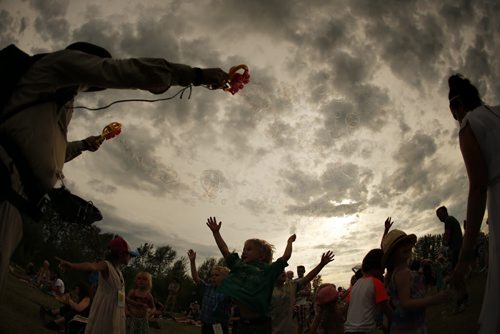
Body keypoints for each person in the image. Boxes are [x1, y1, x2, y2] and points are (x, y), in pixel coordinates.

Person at [0, 41, 230, 291]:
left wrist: (85, 144)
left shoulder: (58, 100)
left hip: (17, 197)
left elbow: (45, 153)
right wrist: (195, 75)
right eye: (95, 71)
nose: (91, 87)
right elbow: (122, 70)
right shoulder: (58, 63)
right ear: (82, 58)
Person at [447, 74, 500, 333]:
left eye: (453, 112)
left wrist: (465, 258)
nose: (455, 118)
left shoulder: (468, 123)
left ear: (457, 106)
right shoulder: (497, 112)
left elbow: (478, 187)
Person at [206, 216, 294, 334]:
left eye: (249, 249)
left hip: (260, 324)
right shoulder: (239, 266)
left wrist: (289, 242)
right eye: (244, 249)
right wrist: (216, 233)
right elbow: (225, 251)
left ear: (261, 256)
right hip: (243, 323)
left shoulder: (268, 271)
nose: (244, 252)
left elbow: (286, 256)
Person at [57, 235, 139, 334]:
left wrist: (134, 304)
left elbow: (119, 294)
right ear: (121, 254)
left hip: (116, 310)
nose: (130, 257)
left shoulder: (119, 272)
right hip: (105, 310)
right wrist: (72, 265)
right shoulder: (106, 265)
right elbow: (91, 266)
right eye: (129, 255)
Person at [382, 229, 449, 333]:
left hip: (411, 324)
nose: (405, 246)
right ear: (392, 254)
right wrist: (435, 299)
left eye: (406, 242)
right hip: (408, 328)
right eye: (400, 245)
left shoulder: (403, 271)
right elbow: (406, 303)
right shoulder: (401, 273)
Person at [270, 251, 334, 334]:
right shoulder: (267, 289)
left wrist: (321, 264)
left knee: (303, 324)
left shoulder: (291, 285)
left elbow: (308, 278)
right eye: (279, 270)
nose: (283, 271)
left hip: (291, 328)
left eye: (283, 269)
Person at [344, 249, 392, 334]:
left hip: (349, 330)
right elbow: (386, 309)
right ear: (377, 266)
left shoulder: (355, 285)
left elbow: (347, 307)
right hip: (365, 330)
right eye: (383, 267)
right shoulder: (376, 283)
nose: (383, 272)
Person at [188, 249, 232, 334]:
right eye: (212, 275)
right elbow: (196, 278)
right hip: (206, 326)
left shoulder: (228, 292)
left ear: (225, 278)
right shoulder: (208, 288)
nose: (213, 277)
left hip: (220, 327)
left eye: (217, 275)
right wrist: (192, 261)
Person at [294, 264, 313, 334]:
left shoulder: (306, 281)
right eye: (298, 271)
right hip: (296, 305)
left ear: (304, 271)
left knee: (305, 323)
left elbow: (308, 292)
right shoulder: (295, 281)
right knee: (300, 324)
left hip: (304, 305)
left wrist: (298, 292)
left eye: (301, 271)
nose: (299, 273)